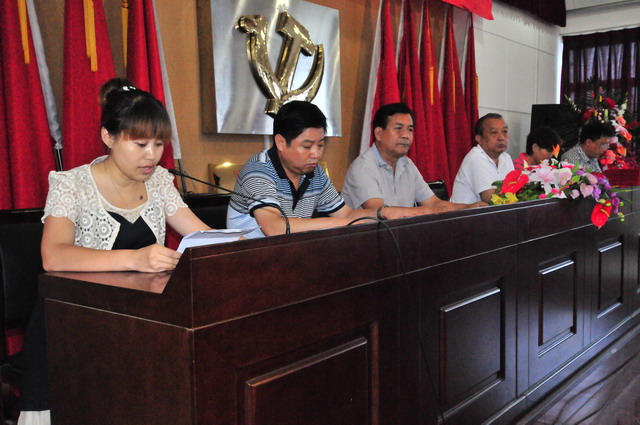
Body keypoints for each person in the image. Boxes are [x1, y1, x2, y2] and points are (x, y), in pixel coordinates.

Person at [19, 78, 214, 425]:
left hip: (137, 322)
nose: (151, 155)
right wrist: (136, 259)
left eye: (158, 143)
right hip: (72, 324)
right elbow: (54, 256)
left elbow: (201, 235)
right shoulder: (71, 184)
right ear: (108, 137)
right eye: (140, 144)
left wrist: (243, 243)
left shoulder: (159, 182)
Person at [226, 101, 419, 238]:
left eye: (320, 145)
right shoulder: (258, 170)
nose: (316, 154)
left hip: (290, 260)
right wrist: (338, 224)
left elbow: (346, 215)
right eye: (307, 146)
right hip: (249, 265)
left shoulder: (314, 173)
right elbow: (274, 227)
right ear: (281, 142)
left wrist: (383, 213)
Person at [341, 102, 486, 213]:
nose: (406, 135)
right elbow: (380, 212)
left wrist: (469, 207)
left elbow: (434, 204)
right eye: (398, 128)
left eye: (410, 129)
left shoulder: (406, 164)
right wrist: (425, 211)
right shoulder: (363, 167)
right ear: (378, 133)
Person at [450, 113, 514, 204]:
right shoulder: (475, 158)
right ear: (479, 139)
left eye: (505, 131)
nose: (501, 137)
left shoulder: (506, 158)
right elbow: (490, 198)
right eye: (494, 132)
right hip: (466, 212)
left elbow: (514, 190)